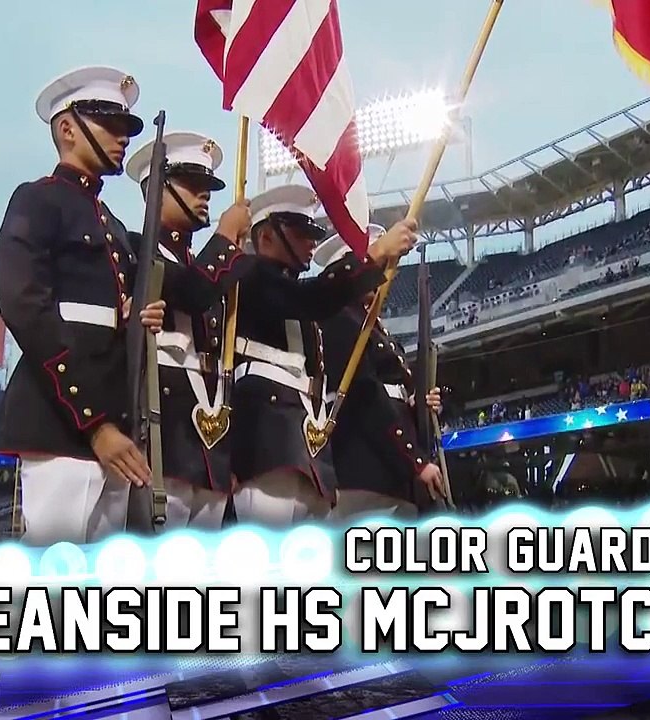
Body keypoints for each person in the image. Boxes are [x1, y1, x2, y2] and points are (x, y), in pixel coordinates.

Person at [0, 66, 166, 546]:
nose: (123, 138)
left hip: (112, 420)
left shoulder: (108, 219)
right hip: (63, 420)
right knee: (51, 579)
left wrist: (133, 318)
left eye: (127, 128)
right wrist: (94, 423)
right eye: (111, 125)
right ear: (68, 128)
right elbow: (25, 306)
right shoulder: (37, 200)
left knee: (98, 586)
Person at [228, 185, 417, 526]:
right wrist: (372, 255)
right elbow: (310, 298)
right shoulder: (251, 277)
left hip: (310, 453)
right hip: (265, 447)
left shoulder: (299, 296)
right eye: (301, 233)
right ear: (267, 236)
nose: (311, 243)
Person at [123, 131, 255, 529]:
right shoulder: (135, 250)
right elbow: (191, 290)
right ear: (156, 192)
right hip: (163, 440)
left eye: (208, 187)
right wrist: (226, 238)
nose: (205, 196)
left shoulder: (208, 267)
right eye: (193, 186)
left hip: (209, 450)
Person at [317, 225, 448, 521]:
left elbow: (396, 395)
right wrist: (415, 461)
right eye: (377, 266)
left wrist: (420, 405)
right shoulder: (340, 319)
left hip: (393, 474)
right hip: (367, 472)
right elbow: (368, 399)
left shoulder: (375, 328)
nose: (383, 276)